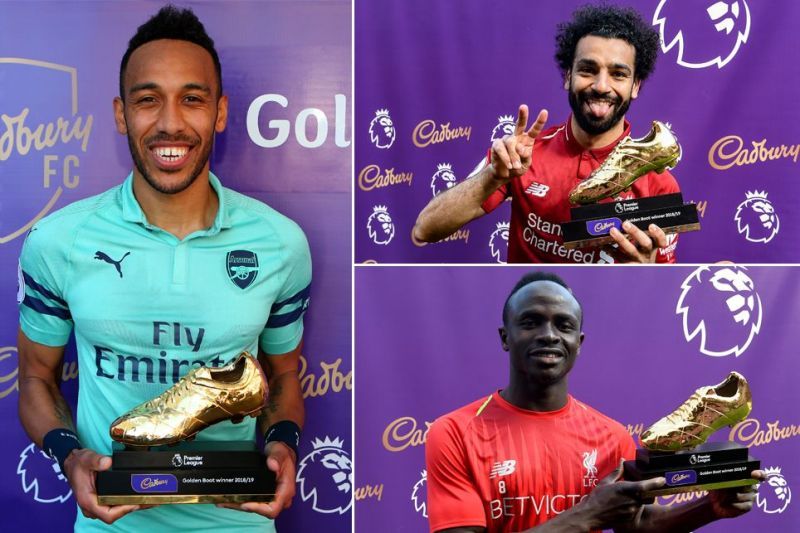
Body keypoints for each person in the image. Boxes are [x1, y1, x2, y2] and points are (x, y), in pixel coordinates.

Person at [17, 6, 309, 532]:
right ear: (120, 113)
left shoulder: (280, 243)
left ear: (220, 113)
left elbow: (283, 375)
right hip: (113, 522)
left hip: (238, 520)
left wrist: (283, 445)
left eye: (192, 99)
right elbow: (37, 376)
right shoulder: (60, 241)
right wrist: (68, 454)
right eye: (148, 100)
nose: (171, 123)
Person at [426, 272, 764, 532]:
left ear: (579, 342)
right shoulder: (455, 432)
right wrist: (588, 513)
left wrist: (708, 508)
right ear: (505, 337)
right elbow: (597, 513)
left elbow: (635, 524)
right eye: (530, 322)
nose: (549, 334)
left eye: (564, 325)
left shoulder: (612, 435)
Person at [413, 5, 680, 264]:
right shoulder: (524, 153)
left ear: (635, 86)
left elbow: (662, 285)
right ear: (567, 76)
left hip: (608, 309)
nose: (601, 86)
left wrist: (646, 270)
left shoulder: (658, 184)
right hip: (528, 306)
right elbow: (424, 229)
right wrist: (492, 177)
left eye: (618, 74)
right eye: (588, 70)